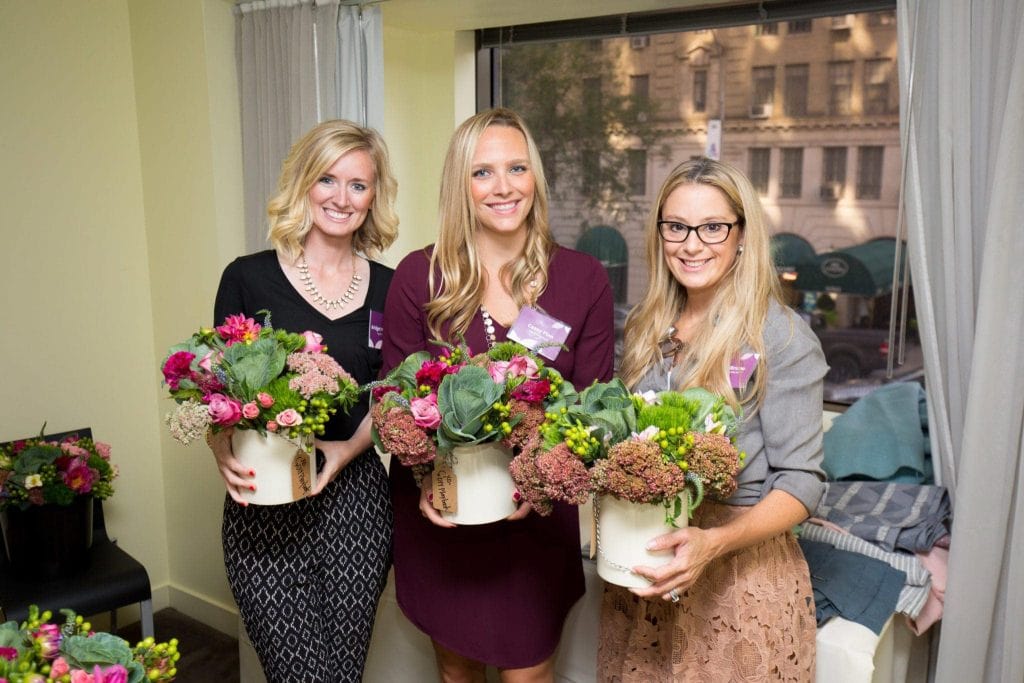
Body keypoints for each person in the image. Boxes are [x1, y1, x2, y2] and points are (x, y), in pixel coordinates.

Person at [381, 108, 614, 682]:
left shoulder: (584, 278)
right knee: (456, 673)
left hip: (533, 522)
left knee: (527, 673)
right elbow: (392, 395)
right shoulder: (420, 276)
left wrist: (541, 481)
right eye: (483, 172)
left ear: (535, 177)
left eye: (517, 167)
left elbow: (592, 405)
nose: (504, 187)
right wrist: (424, 482)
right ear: (460, 185)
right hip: (445, 516)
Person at [598, 157, 827, 681]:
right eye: (676, 226)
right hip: (647, 570)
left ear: (742, 234)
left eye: (713, 227)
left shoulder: (781, 338)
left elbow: (802, 483)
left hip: (737, 579)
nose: (692, 243)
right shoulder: (646, 325)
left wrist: (714, 543)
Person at [208, 119, 398, 682]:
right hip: (266, 507)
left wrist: (344, 449)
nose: (342, 198)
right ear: (303, 184)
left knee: (342, 673)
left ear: (373, 197)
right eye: (327, 180)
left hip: (358, 506)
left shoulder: (392, 287)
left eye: (358, 185)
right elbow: (215, 387)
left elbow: (392, 393)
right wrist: (220, 447)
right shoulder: (247, 278)